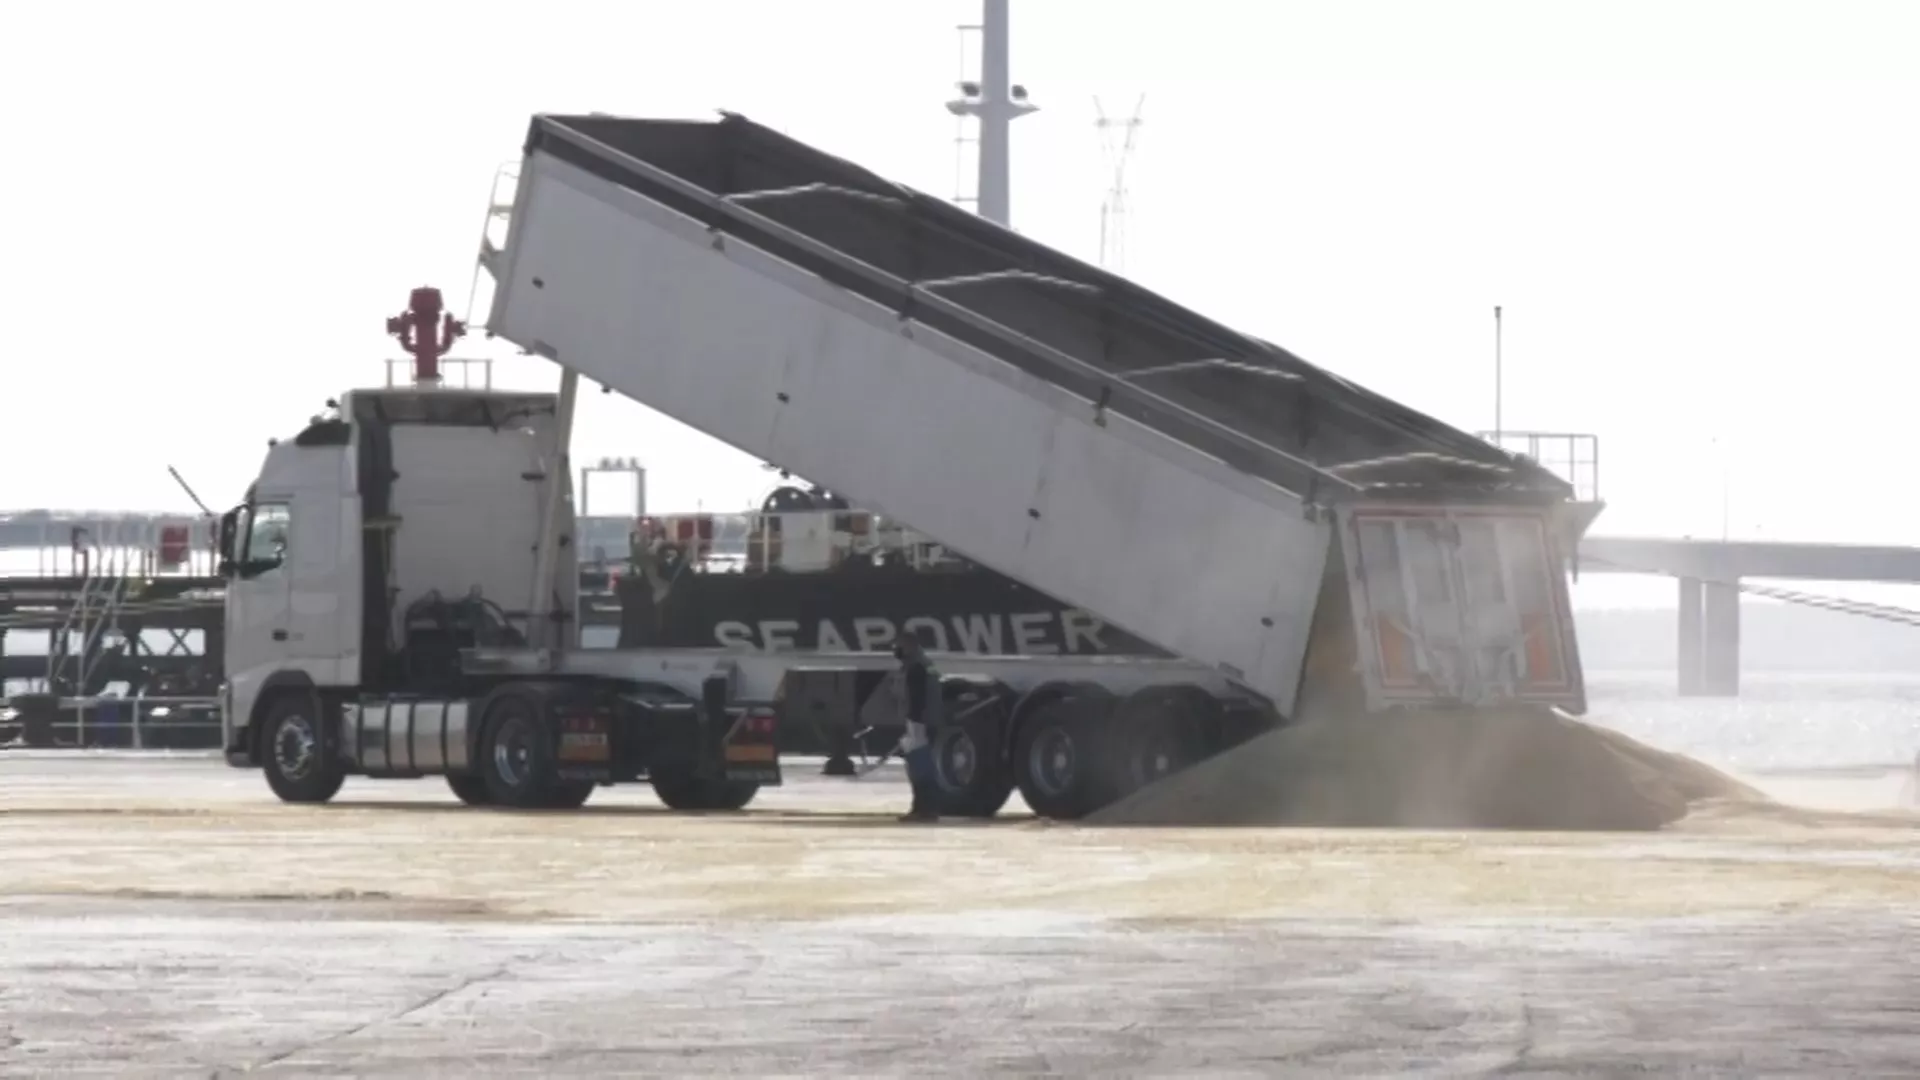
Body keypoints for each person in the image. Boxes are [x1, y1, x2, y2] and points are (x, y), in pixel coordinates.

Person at [894, 632, 941, 823]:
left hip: (918, 722)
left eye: (899, 645)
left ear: (909, 646)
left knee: (918, 766)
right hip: (924, 721)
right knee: (922, 765)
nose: (896, 650)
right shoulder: (924, 664)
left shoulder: (916, 668)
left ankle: (922, 808)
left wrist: (913, 723)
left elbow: (917, 699)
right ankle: (925, 807)